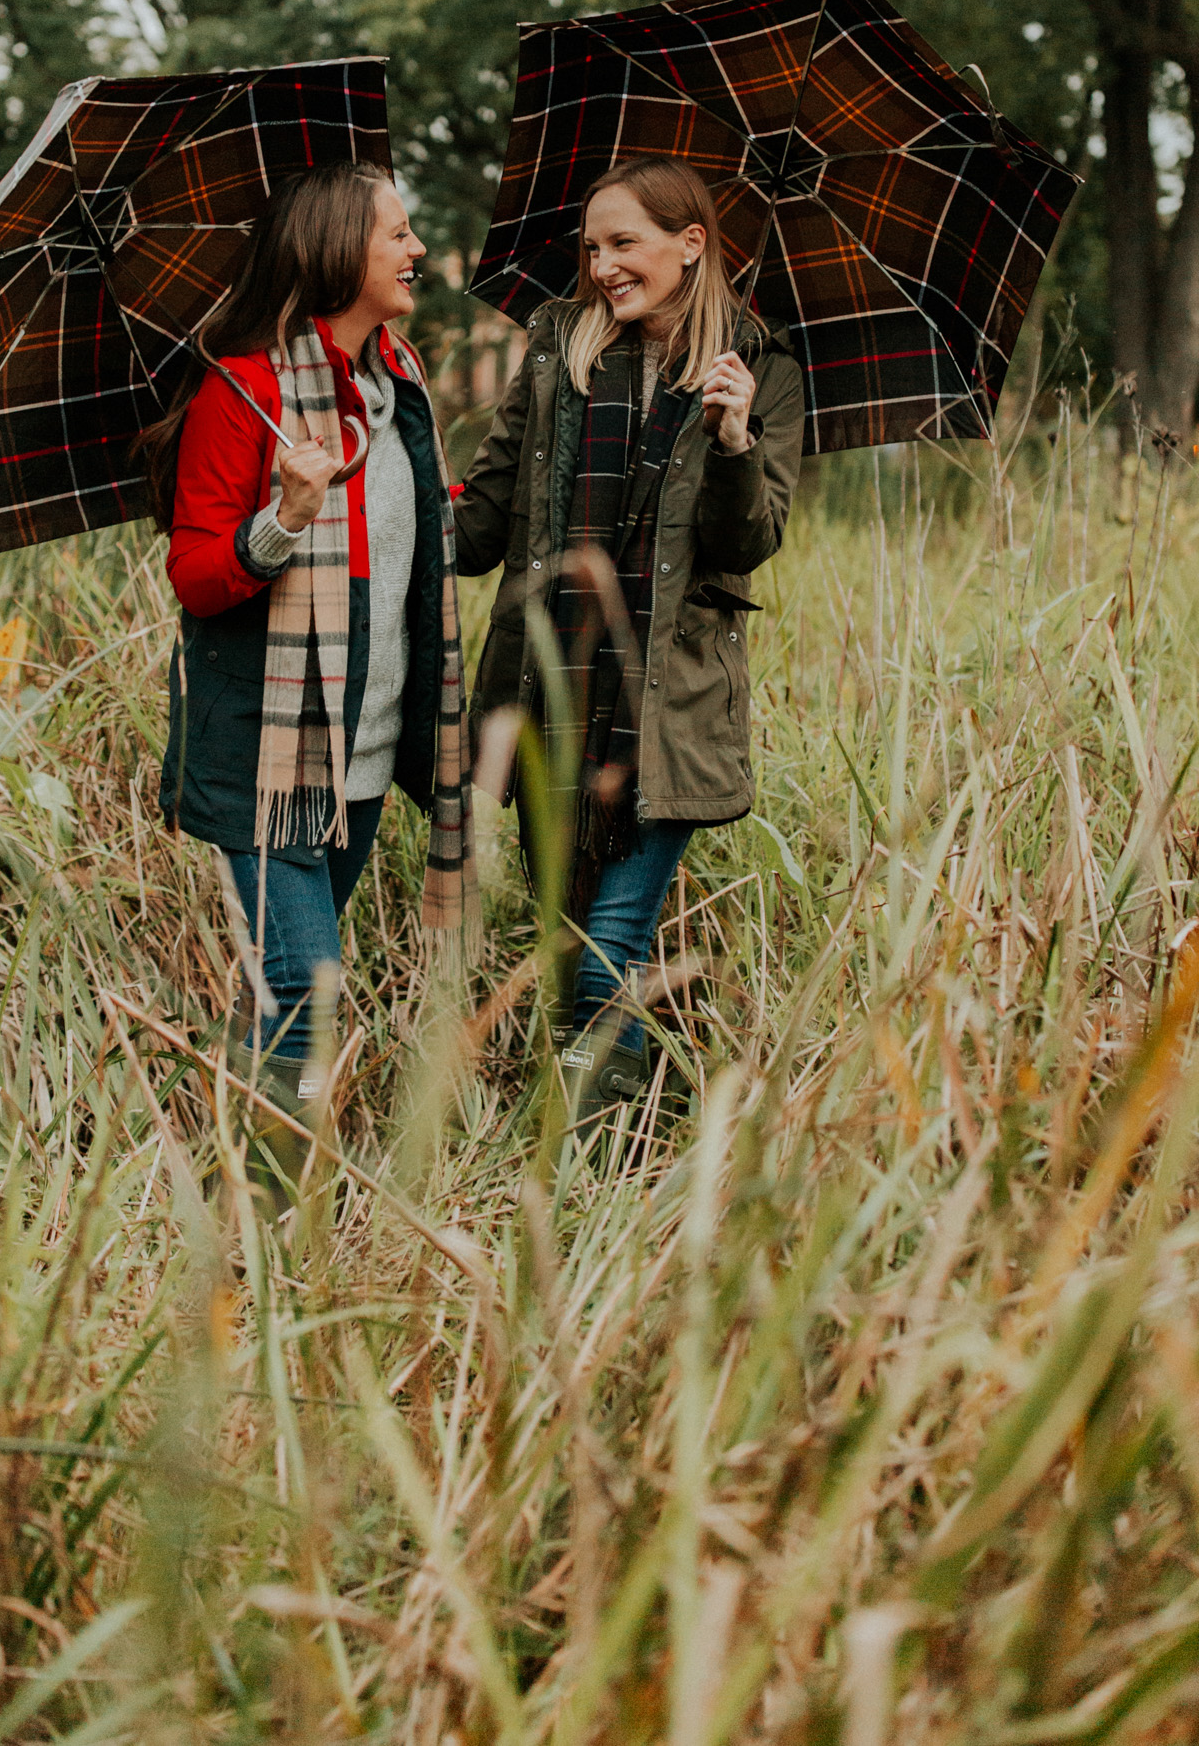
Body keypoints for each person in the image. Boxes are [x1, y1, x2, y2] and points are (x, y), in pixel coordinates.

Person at [453, 156, 804, 1133]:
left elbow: (752, 542)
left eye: (625, 244)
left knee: (607, 939)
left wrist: (733, 440)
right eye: (592, 247)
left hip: (670, 706)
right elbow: (480, 524)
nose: (603, 265)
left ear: (691, 244)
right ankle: (645, 1146)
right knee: (573, 944)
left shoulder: (762, 368)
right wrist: (358, 496)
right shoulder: (555, 351)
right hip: (551, 688)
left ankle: (585, 1168)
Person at [142, 162, 475, 1184]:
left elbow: (405, 537)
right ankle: (279, 1226)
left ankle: (227, 1174)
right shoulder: (240, 390)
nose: (416, 250)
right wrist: (284, 516)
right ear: (338, 250)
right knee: (310, 981)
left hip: (363, 752)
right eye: (397, 233)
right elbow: (197, 576)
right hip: (264, 753)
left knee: (277, 990)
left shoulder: (398, 380)